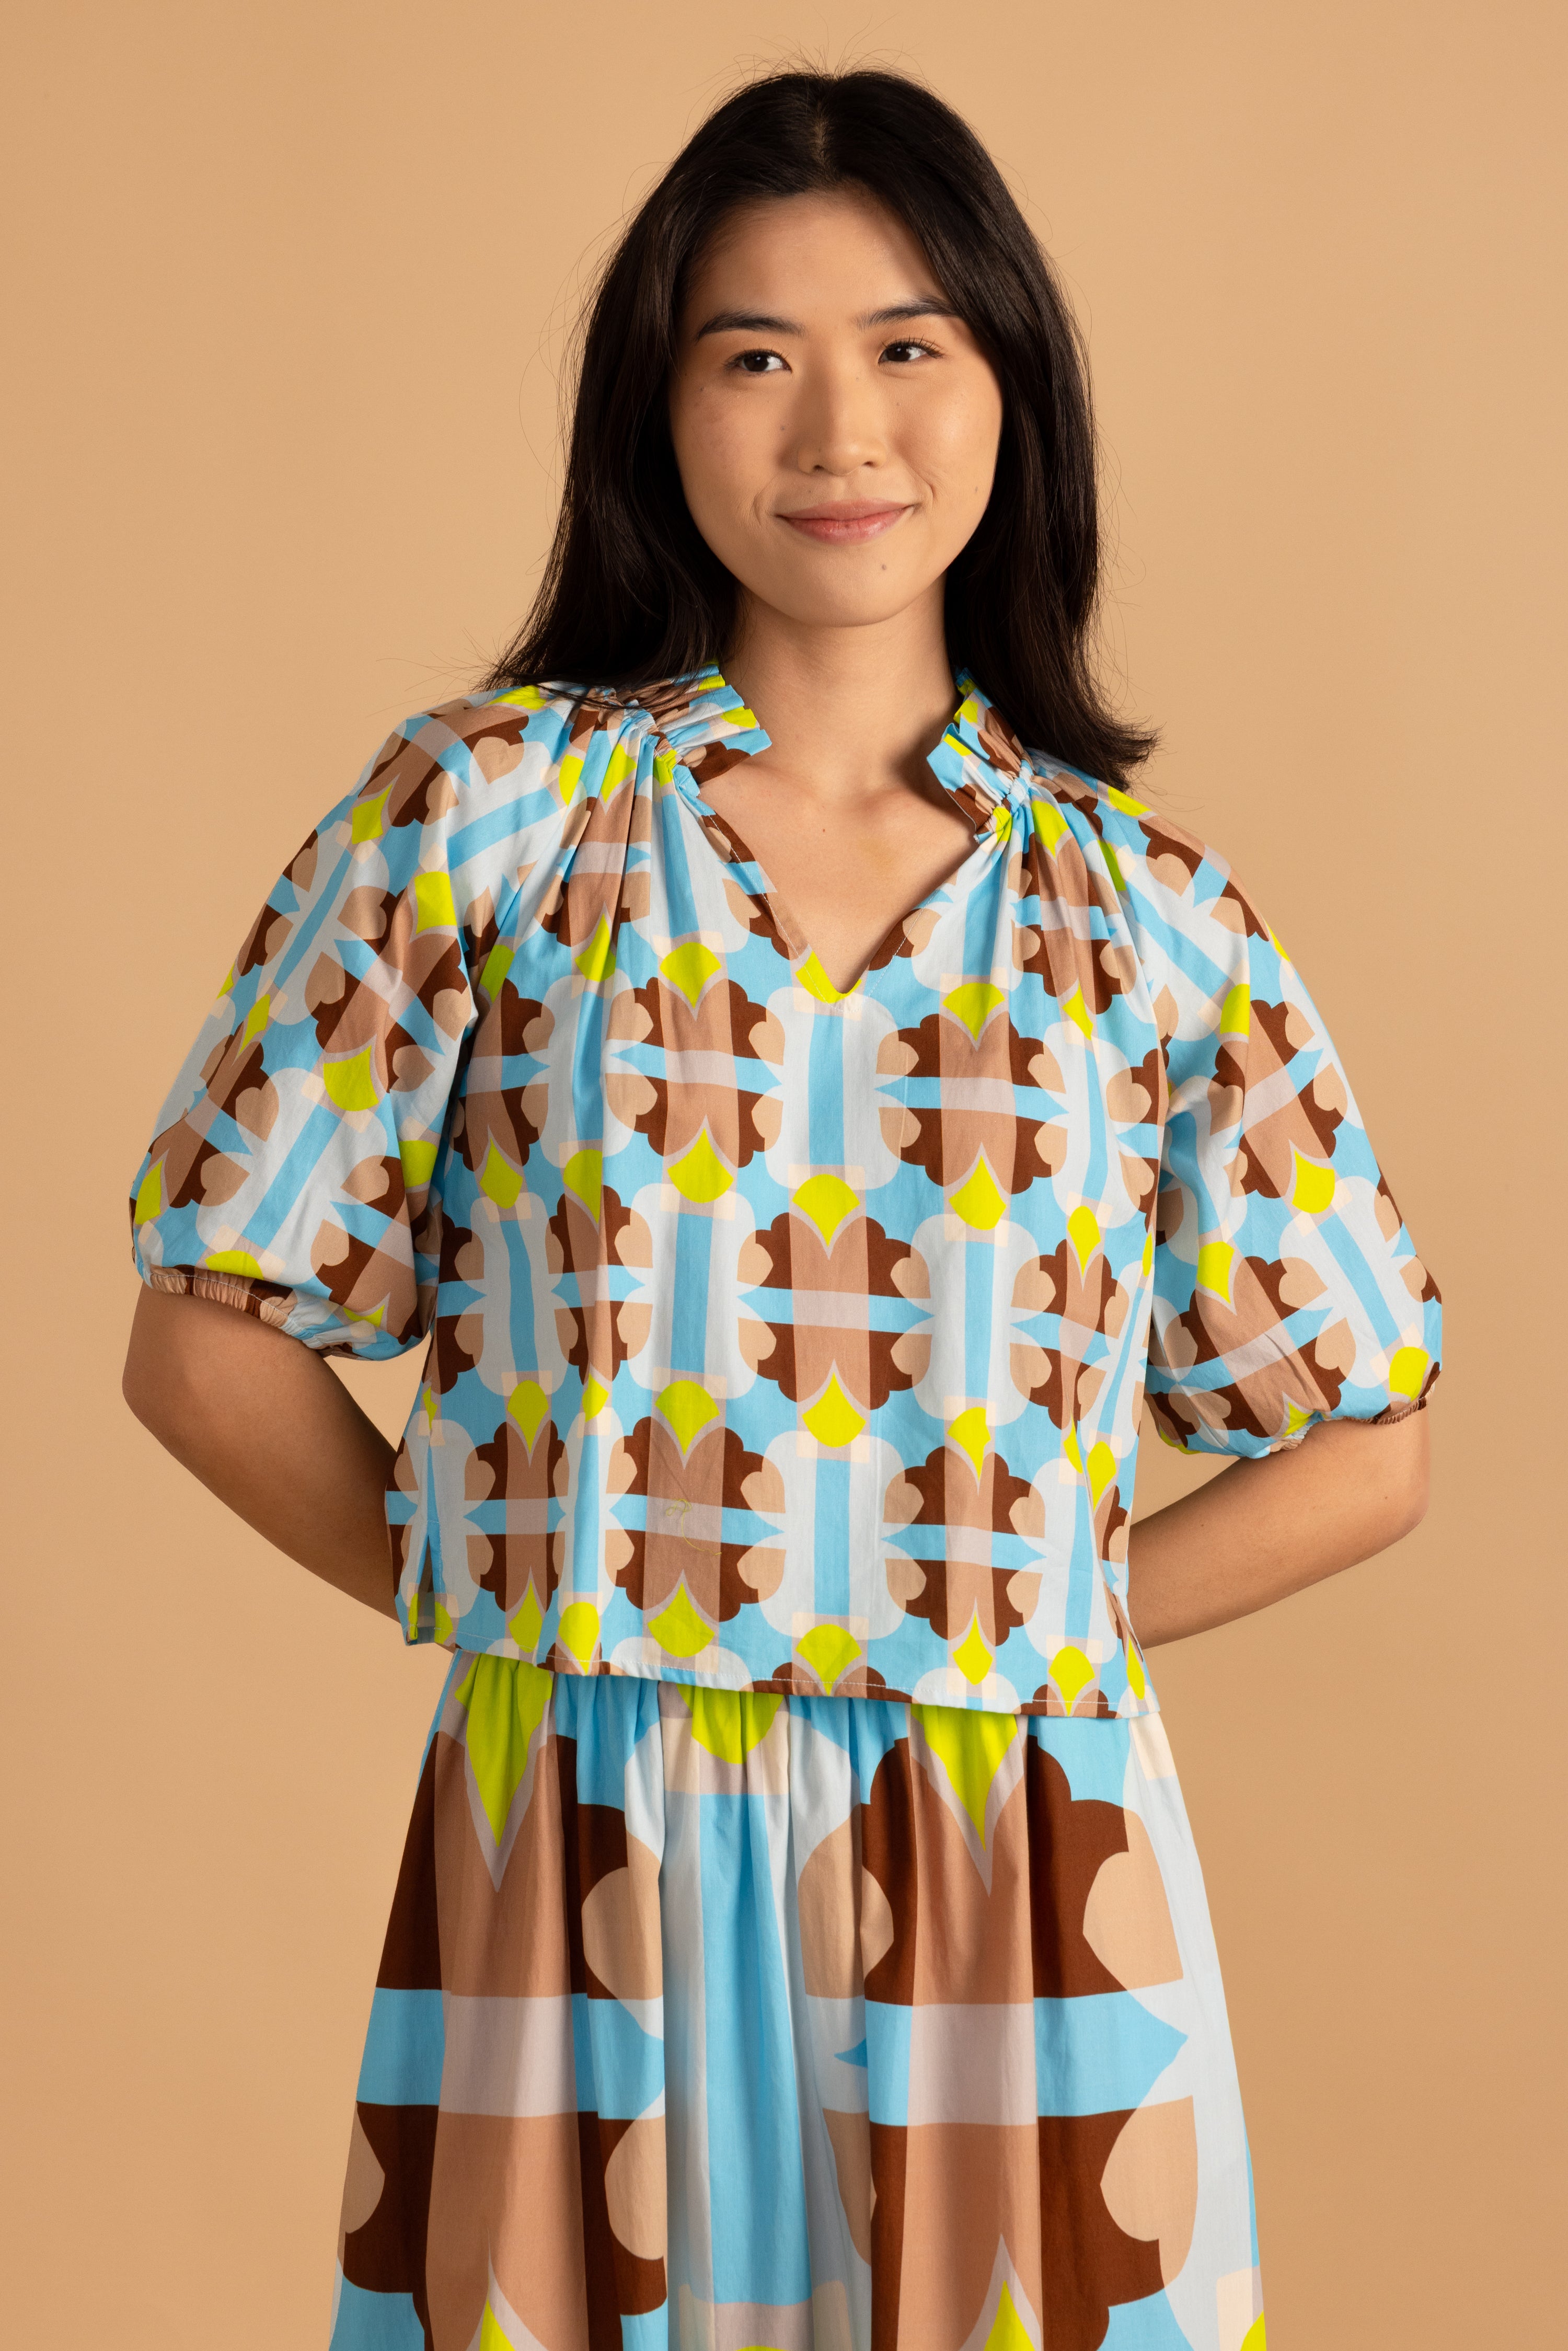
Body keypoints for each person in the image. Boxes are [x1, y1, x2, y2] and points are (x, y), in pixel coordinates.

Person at [122, 65, 1440, 2351]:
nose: (841, 428)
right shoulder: (486, 820)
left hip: (1025, 1853)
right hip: (588, 1839)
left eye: (910, 345)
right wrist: (525, 1589)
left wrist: (1023, 1612)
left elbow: (1367, 1435)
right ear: (659, 407)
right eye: (756, 355)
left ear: (1012, 388)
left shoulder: (1148, 916)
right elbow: (203, 1334)